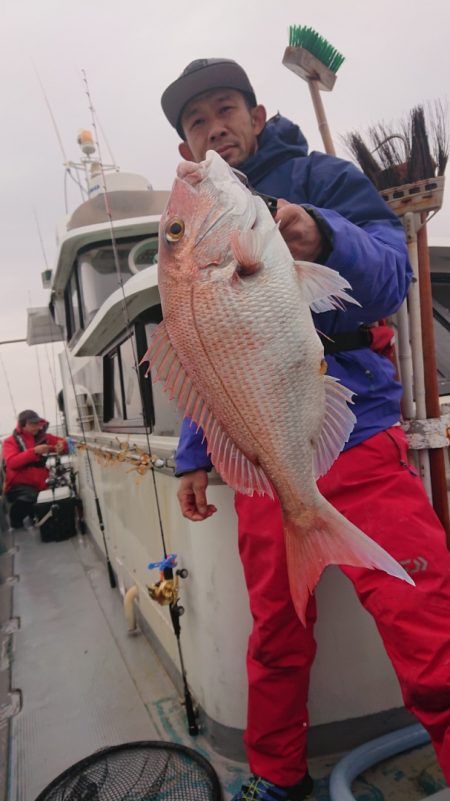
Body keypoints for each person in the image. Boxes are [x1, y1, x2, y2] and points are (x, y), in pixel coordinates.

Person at [161, 59, 450, 800]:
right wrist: (195, 454)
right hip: (265, 459)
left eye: (225, 109)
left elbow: (392, 275)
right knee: (276, 636)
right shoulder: (202, 238)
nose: (213, 127)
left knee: (428, 623)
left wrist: (321, 234)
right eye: (197, 123)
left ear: (258, 116)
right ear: (190, 150)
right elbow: (207, 351)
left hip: (355, 434)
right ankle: (275, 775)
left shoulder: (323, 179)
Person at [2, 410, 68, 529]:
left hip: (40, 483)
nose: (37, 426)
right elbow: (12, 463)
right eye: (32, 424)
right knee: (31, 496)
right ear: (23, 425)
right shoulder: (9, 442)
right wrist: (34, 451)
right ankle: (15, 521)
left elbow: (62, 442)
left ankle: (35, 515)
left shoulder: (45, 437)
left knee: (56, 491)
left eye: (37, 423)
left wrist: (62, 446)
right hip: (18, 486)